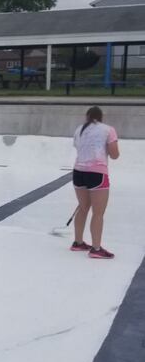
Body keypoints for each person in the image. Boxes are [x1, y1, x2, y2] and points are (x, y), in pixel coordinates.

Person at [71, 106, 120, 258]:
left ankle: (78, 242)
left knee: (83, 207)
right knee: (98, 213)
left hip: (78, 171)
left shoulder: (79, 129)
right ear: (100, 117)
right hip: (97, 173)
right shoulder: (108, 130)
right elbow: (114, 155)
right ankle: (96, 249)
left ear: (87, 117)